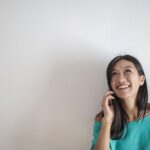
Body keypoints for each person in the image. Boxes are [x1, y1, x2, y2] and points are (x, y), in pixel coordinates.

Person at [91, 54, 150, 150]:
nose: (121, 79)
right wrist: (107, 121)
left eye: (127, 71)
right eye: (114, 73)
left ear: (141, 79)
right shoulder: (102, 119)